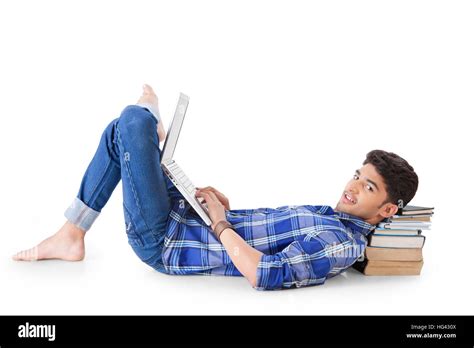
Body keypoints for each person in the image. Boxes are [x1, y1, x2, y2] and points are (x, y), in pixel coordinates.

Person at [12, 85, 419, 291]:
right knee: (121, 131)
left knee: (133, 123)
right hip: (191, 218)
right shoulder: (334, 215)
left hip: (166, 241)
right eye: (357, 175)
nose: (352, 187)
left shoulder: (340, 241)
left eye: (368, 187)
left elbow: (265, 274)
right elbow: (263, 234)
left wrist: (221, 224)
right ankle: (72, 235)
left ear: (386, 210)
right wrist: (225, 210)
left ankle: (146, 128)